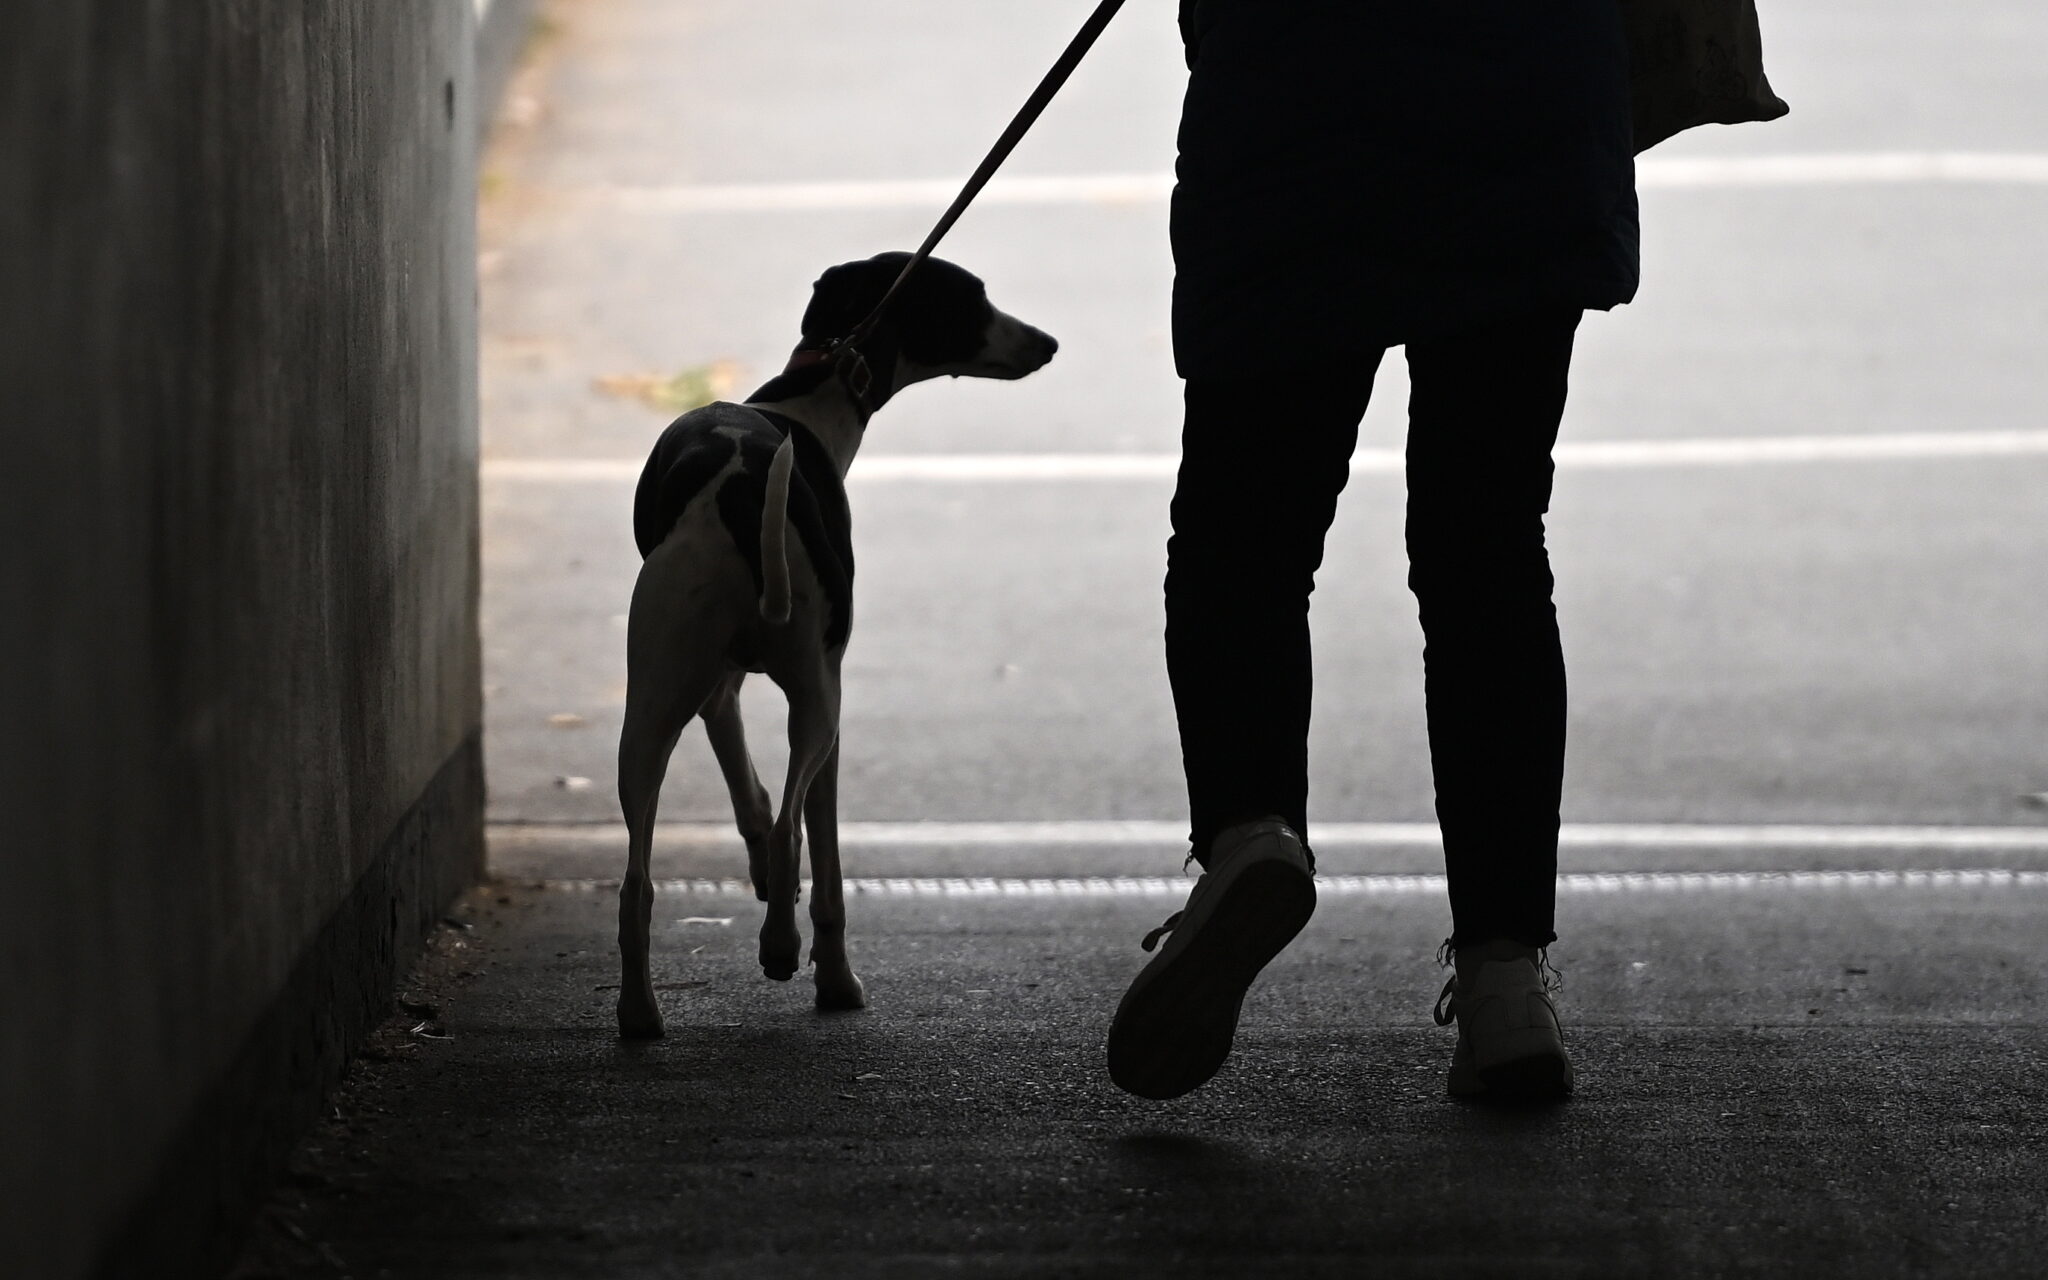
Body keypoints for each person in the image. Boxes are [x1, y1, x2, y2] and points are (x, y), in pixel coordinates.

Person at [1106, 0, 1640, 1102]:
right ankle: (1503, 981)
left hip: (1296, 104)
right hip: (1523, 105)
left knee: (1243, 532)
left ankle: (1252, 828)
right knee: (1485, 545)